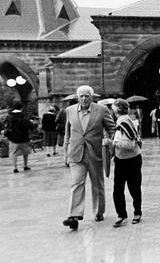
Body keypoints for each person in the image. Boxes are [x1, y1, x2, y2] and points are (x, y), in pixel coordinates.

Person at [62, 85, 116, 231]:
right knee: (76, 184)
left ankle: (99, 212)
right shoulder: (70, 110)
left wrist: (110, 142)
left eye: (87, 96)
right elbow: (67, 133)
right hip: (76, 153)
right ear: (77, 97)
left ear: (92, 97)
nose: (84, 98)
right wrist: (66, 153)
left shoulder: (101, 110)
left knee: (97, 184)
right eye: (81, 96)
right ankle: (74, 216)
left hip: (96, 153)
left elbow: (112, 129)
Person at [108, 98, 143, 227]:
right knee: (118, 189)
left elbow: (130, 144)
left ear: (117, 110)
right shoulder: (122, 120)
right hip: (121, 160)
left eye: (113, 108)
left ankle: (136, 213)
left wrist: (112, 142)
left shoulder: (124, 121)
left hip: (131, 159)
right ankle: (122, 215)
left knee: (133, 188)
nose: (112, 111)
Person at [5, 103, 36, 173]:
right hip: (23, 138)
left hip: (12, 139)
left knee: (14, 153)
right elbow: (30, 126)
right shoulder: (23, 117)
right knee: (25, 152)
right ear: (21, 108)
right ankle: (25, 165)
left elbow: (6, 127)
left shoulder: (9, 117)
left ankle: (15, 168)